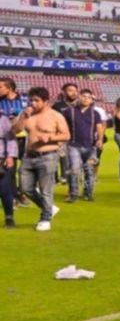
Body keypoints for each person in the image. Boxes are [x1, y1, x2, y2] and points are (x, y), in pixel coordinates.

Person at [13, 88, 68, 231]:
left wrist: (50, 137)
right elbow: (15, 131)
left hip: (48, 155)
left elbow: (66, 135)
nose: (33, 103)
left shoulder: (55, 116)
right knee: (25, 188)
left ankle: (45, 218)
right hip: (29, 156)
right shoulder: (27, 114)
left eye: (37, 100)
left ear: (46, 101)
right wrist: (23, 117)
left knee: (46, 190)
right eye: (31, 100)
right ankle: (49, 208)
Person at [65, 87, 106, 203]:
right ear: (79, 97)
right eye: (84, 96)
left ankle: (88, 193)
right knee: (74, 169)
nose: (86, 99)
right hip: (74, 145)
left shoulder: (95, 113)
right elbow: (63, 126)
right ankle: (73, 194)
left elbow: (99, 127)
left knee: (89, 169)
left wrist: (100, 140)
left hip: (91, 146)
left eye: (89, 97)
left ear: (92, 100)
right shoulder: (70, 111)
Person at [0, 100, 18, 228]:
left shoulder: (3, 119)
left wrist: (10, 156)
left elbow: (10, 139)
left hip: (1, 159)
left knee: (4, 190)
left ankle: (9, 217)